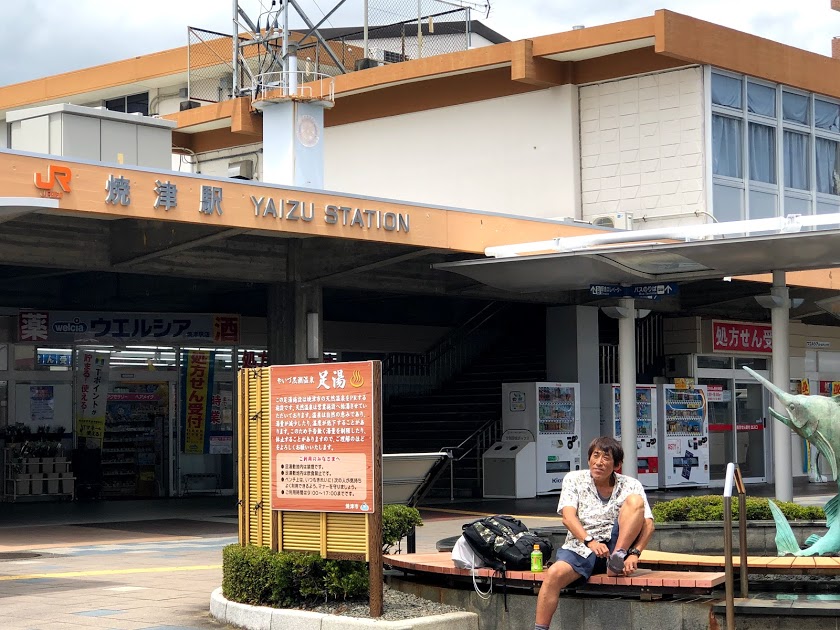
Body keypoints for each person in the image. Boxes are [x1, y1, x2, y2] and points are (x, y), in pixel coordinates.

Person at [534, 436, 655, 630]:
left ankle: (617, 558)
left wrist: (635, 553)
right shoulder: (574, 479)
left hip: (615, 544)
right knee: (554, 574)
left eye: (606, 458)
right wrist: (590, 541)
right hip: (581, 546)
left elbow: (648, 524)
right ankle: (540, 629)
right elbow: (568, 517)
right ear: (589, 459)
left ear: (617, 465)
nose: (599, 462)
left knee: (635, 501)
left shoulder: (631, 484)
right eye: (595, 456)